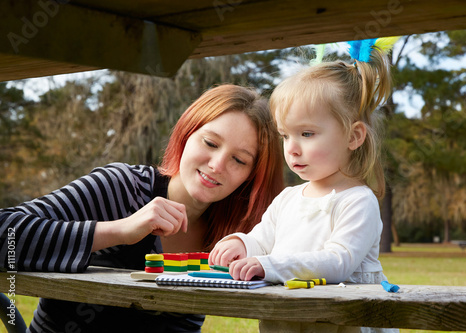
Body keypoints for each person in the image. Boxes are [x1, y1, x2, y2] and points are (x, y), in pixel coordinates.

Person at [0, 84, 284, 332]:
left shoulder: (231, 240)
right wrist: (120, 230)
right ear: (186, 134)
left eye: (239, 160)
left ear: (252, 176)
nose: (217, 164)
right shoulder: (121, 188)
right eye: (210, 142)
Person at [209, 44, 393, 288]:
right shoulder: (287, 199)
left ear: (353, 136)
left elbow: (339, 262)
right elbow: (263, 241)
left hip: (339, 321)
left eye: (306, 134)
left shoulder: (357, 201)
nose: (291, 148)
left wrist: (269, 266)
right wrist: (242, 244)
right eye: (285, 136)